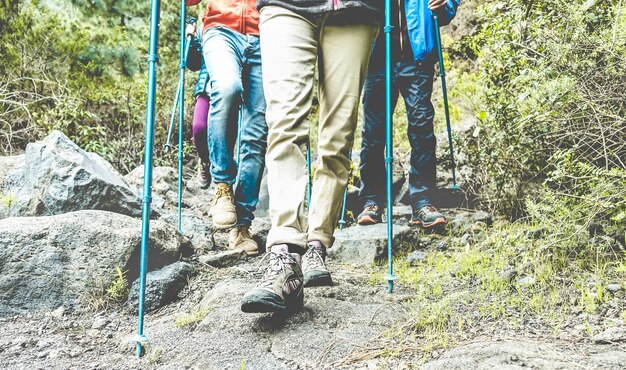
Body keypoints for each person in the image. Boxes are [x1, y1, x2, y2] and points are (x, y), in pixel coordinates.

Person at [241, 0, 382, 313]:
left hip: (355, 9)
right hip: (285, 6)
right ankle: (285, 254)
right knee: (284, 122)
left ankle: (317, 242)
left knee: (338, 135)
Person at [356, 0, 460, 229]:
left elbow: (446, 9)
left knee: (422, 127)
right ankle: (372, 201)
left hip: (417, 57)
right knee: (373, 133)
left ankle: (423, 202)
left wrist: (445, 6)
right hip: (376, 60)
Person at [186, 0, 267, 256]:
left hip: (266, 33)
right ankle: (222, 185)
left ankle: (242, 225)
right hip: (221, 29)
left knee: (256, 130)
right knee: (227, 87)